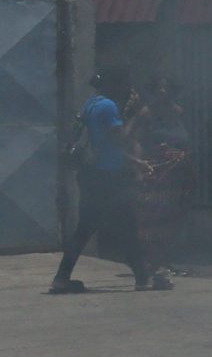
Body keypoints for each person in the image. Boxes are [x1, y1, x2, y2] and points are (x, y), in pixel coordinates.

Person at [49, 72, 163, 294]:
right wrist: (135, 116)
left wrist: (136, 161)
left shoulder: (91, 104)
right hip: (108, 178)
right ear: (114, 85)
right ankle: (143, 279)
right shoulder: (109, 107)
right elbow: (120, 138)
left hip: (92, 174)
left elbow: (107, 145)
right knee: (127, 225)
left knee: (85, 229)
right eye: (123, 85)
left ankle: (61, 279)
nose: (126, 91)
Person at [127, 79, 195, 277]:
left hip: (178, 173)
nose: (164, 92)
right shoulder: (146, 114)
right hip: (156, 170)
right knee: (154, 217)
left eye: (167, 88)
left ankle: (166, 260)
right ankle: (153, 261)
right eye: (160, 88)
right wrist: (139, 167)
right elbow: (137, 140)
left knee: (173, 217)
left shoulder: (177, 112)